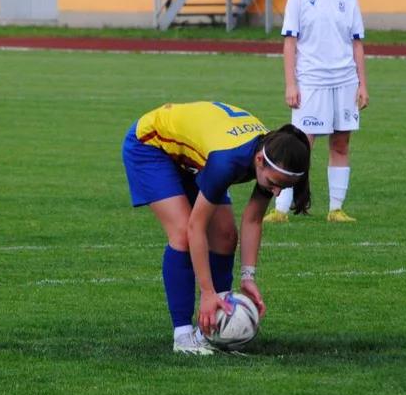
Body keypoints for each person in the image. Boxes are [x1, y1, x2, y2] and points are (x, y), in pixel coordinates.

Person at [122, 101, 312, 355]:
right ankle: (182, 336)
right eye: (274, 184)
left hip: (195, 156)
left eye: (283, 188)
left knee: (224, 235)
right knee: (182, 234)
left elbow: (253, 219)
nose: (276, 192)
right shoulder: (228, 162)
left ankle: (214, 329)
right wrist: (207, 292)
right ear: (259, 160)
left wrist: (248, 278)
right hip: (150, 146)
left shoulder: (273, 153)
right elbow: (195, 228)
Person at [264, 0, 369, 225]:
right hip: (311, 83)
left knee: (340, 145)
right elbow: (290, 44)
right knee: (299, 146)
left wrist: (362, 84)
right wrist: (290, 84)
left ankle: (336, 209)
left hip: (345, 81)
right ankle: (281, 209)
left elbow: (357, 44)